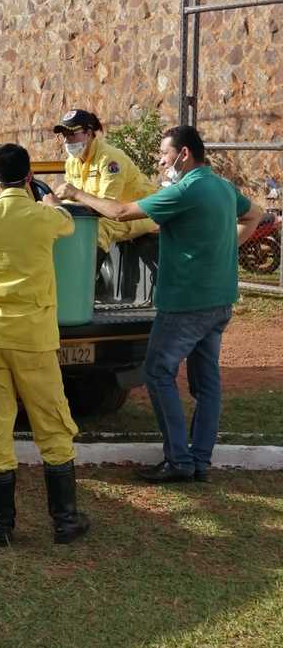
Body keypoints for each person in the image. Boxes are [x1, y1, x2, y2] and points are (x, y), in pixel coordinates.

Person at [54, 125, 262, 483]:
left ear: (184, 154)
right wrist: (224, 252)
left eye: (165, 154)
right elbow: (255, 215)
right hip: (219, 301)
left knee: (158, 372)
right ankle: (199, 460)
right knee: (207, 382)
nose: (161, 161)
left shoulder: (186, 189)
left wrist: (76, 192)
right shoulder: (223, 187)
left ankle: (179, 460)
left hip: (184, 303)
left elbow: (119, 212)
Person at [0, 143, 90, 546]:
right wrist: (51, 200)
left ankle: (0, 523)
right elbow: (67, 223)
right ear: (30, 177)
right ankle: (65, 520)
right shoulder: (45, 218)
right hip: (34, 339)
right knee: (53, 424)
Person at [53, 109, 159, 287]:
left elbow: (109, 209)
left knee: (98, 229)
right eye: (64, 135)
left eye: (72, 134)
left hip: (140, 214)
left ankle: (82, 287)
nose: (67, 140)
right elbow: (75, 204)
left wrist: (76, 194)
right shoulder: (72, 162)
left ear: (88, 133)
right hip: (111, 213)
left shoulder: (110, 159)